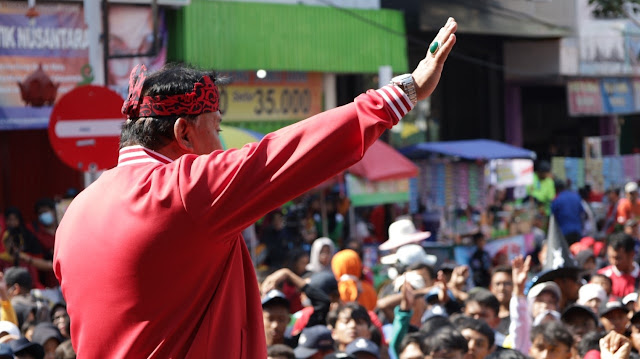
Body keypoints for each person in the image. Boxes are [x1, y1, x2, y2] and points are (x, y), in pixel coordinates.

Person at [52, 17, 458, 358]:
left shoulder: (75, 215)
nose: (223, 146)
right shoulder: (184, 189)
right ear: (184, 133)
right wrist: (402, 94)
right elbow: (286, 154)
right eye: (217, 128)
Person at [598, 232, 640, 299]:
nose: (613, 262)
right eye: (610, 257)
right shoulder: (602, 277)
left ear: (631, 254)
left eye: (618, 258)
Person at [550, 180, 584, 245]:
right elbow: (582, 212)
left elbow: (553, 217)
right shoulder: (576, 196)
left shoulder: (557, 199)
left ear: (556, 189)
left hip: (564, 232)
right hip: (577, 230)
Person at [489, 266, 512, 335]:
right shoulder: (485, 315)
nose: (502, 288)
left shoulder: (521, 315)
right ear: (491, 288)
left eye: (507, 284)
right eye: (497, 284)